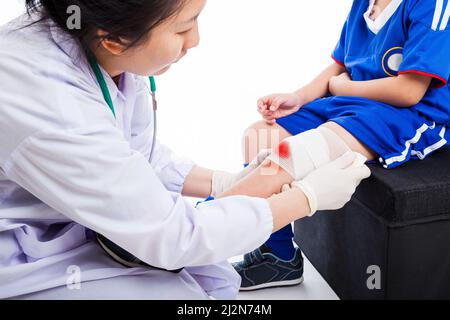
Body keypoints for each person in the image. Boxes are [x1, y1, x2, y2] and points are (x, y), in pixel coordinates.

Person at [0, 0, 370, 300]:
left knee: (205, 281)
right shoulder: (43, 94)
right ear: (113, 38)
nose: (195, 41)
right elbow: (173, 236)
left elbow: (130, 154)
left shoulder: (104, 48)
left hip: (74, 225)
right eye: (182, 28)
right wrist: (305, 198)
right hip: (20, 256)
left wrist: (224, 182)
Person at [228, 0, 450, 291]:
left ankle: (198, 226)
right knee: (259, 135)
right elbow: (340, 64)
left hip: (407, 114)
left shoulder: (432, 4)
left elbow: (408, 91)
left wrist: (342, 88)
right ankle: (278, 255)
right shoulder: (365, 3)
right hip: (354, 102)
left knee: (295, 154)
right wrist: (299, 97)